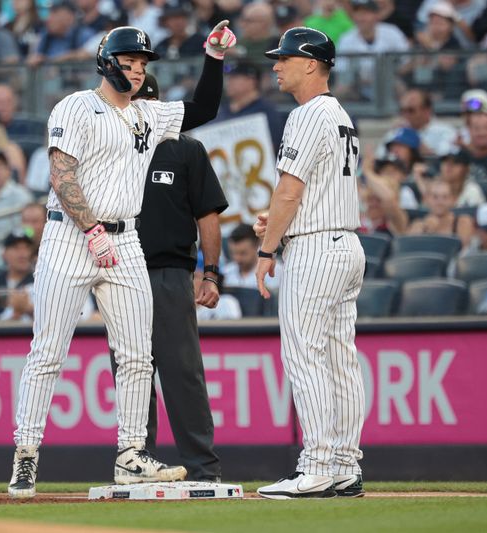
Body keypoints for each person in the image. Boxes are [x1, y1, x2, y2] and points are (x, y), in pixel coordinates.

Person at [8, 22, 237, 498]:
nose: (135, 71)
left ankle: (131, 454)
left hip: (126, 239)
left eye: (142, 65)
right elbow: (61, 172)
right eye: (128, 63)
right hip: (71, 236)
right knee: (48, 353)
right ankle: (26, 455)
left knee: (137, 353)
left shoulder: (147, 114)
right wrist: (90, 229)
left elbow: (204, 108)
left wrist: (213, 58)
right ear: (106, 62)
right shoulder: (77, 105)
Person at [255, 27, 366, 499]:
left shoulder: (306, 114)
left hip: (316, 249)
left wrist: (266, 249)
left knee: (306, 356)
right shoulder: (339, 114)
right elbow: (304, 194)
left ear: (309, 63)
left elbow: (290, 190)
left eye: (283, 58)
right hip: (345, 244)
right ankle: (345, 463)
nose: (276, 65)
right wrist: (279, 223)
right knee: (341, 359)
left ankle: (317, 464)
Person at [106, 73, 227, 482]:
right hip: (120, 271)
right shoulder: (114, 149)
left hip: (168, 273)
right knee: (130, 372)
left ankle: (202, 468)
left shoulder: (186, 150)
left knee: (181, 372)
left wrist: (209, 272)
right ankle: (138, 461)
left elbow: (207, 214)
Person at [213, 62, 286, 152]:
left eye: (234, 78)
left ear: (251, 81)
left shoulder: (266, 111)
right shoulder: (223, 111)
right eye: (228, 78)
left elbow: (271, 148)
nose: (229, 82)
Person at [385, 88, 458, 157]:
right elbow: (381, 158)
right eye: (402, 110)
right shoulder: (396, 132)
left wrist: (412, 136)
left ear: (427, 111)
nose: (405, 115)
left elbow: (442, 161)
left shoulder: (445, 132)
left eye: (411, 110)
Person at [25, 0, 95, 66]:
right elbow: (35, 57)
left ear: (70, 15)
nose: (48, 18)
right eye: (49, 12)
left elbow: (94, 66)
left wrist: (71, 57)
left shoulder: (84, 35)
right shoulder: (45, 36)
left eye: (54, 12)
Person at [408, 179, 475, 247]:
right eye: (435, 197)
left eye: (445, 197)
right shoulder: (418, 225)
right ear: (426, 199)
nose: (440, 202)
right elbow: (410, 250)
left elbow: (465, 251)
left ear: (453, 200)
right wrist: (426, 231)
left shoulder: (462, 222)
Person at [223, 223, 281, 290]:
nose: (237, 258)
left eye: (243, 253)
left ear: (256, 246)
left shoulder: (273, 271)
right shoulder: (226, 273)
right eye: (233, 253)